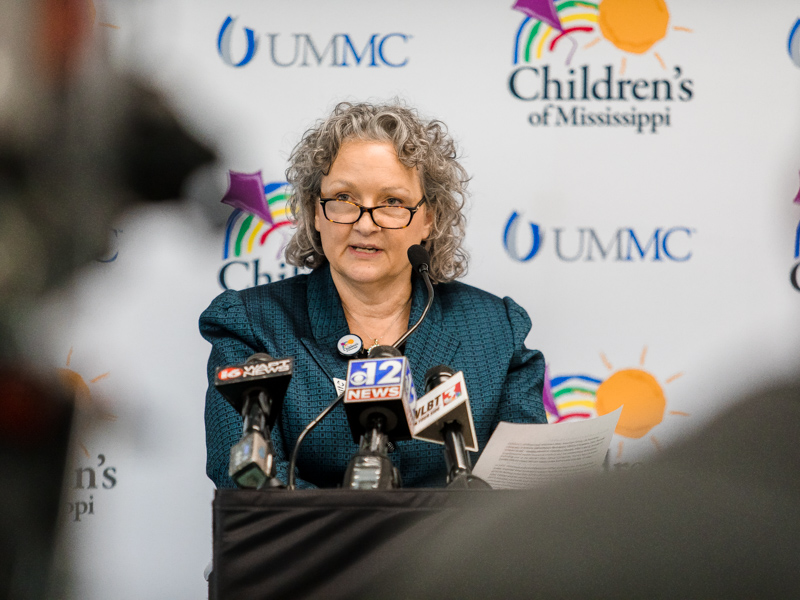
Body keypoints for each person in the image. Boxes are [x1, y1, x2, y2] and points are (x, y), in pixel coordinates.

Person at [200, 101, 546, 489]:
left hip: (459, 551)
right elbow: (247, 481)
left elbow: (521, 484)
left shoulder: (495, 330)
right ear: (316, 211)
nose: (365, 224)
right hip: (313, 550)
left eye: (392, 203)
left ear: (429, 218)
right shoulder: (251, 325)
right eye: (344, 199)